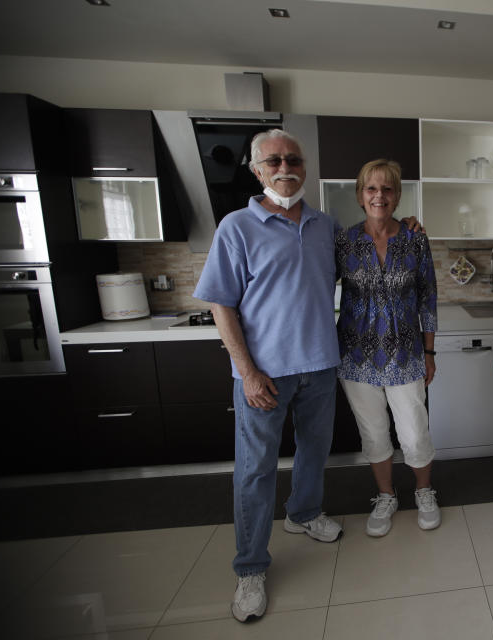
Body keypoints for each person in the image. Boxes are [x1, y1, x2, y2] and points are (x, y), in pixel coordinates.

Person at [194, 129, 344, 623]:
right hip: (264, 376)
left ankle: (303, 514)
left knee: (314, 451)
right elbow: (221, 304)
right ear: (257, 170)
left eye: (294, 159)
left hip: (320, 366)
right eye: (274, 160)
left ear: (304, 167)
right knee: (255, 472)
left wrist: (401, 226)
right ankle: (251, 568)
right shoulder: (236, 227)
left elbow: (362, 262)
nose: (286, 167)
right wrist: (248, 372)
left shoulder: (325, 225)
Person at [335, 159, 440, 537]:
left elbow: (428, 299)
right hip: (355, 356)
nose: (379, 195)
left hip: (407, 354)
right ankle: (386, 495)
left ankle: (424, 491)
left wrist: (429, 353)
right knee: (374, 432)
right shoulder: (344, 241)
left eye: (387, 189)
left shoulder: (415, 239)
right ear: (361, 195)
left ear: (396, 196)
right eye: (371, 189)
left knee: (414, 431)